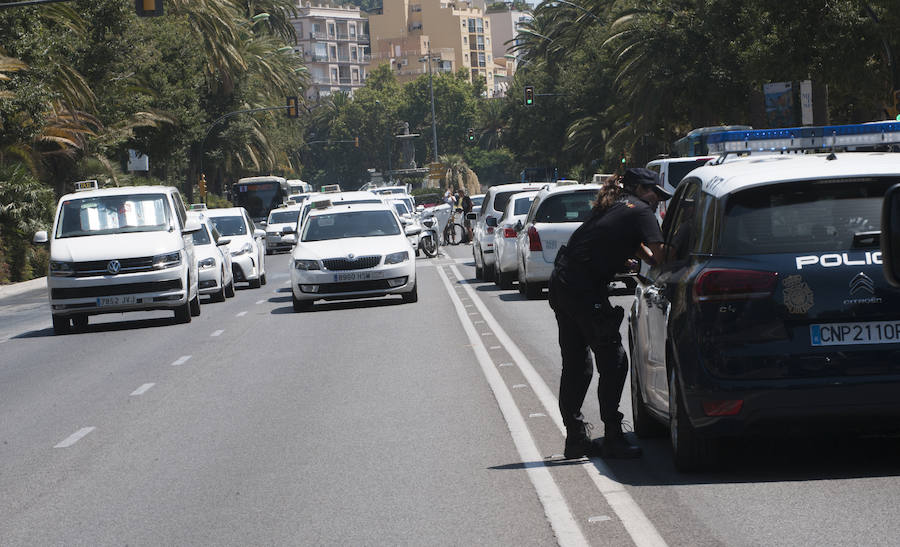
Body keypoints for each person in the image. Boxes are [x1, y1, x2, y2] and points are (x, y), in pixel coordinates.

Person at [549, 167, 671, 459]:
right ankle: (614, 437)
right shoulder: (640, 210)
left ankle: (575, 437)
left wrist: (638, 258)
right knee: (614, 361)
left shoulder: (614, 206)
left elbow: (640, 250)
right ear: (642, 189)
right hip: (583, 290)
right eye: (656, 193)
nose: (658, 201)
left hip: (563, 283)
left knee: (577, 365)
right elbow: (661, 257)